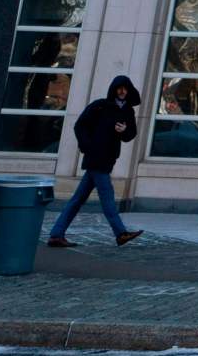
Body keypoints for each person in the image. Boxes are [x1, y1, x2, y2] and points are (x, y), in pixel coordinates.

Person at [47, 74, 144, 247]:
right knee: (107, 197)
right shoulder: (100, 106)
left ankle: (56, 234)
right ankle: (120, 233)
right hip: (95, 158)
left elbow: (130, 135)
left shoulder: (128, 111)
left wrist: (124, 130)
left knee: (77, 200)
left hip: (108, 158)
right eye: (119, 88)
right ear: (114, 90)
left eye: (124, 88)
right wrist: (87, 147)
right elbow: (80, 125)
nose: (122, 91)